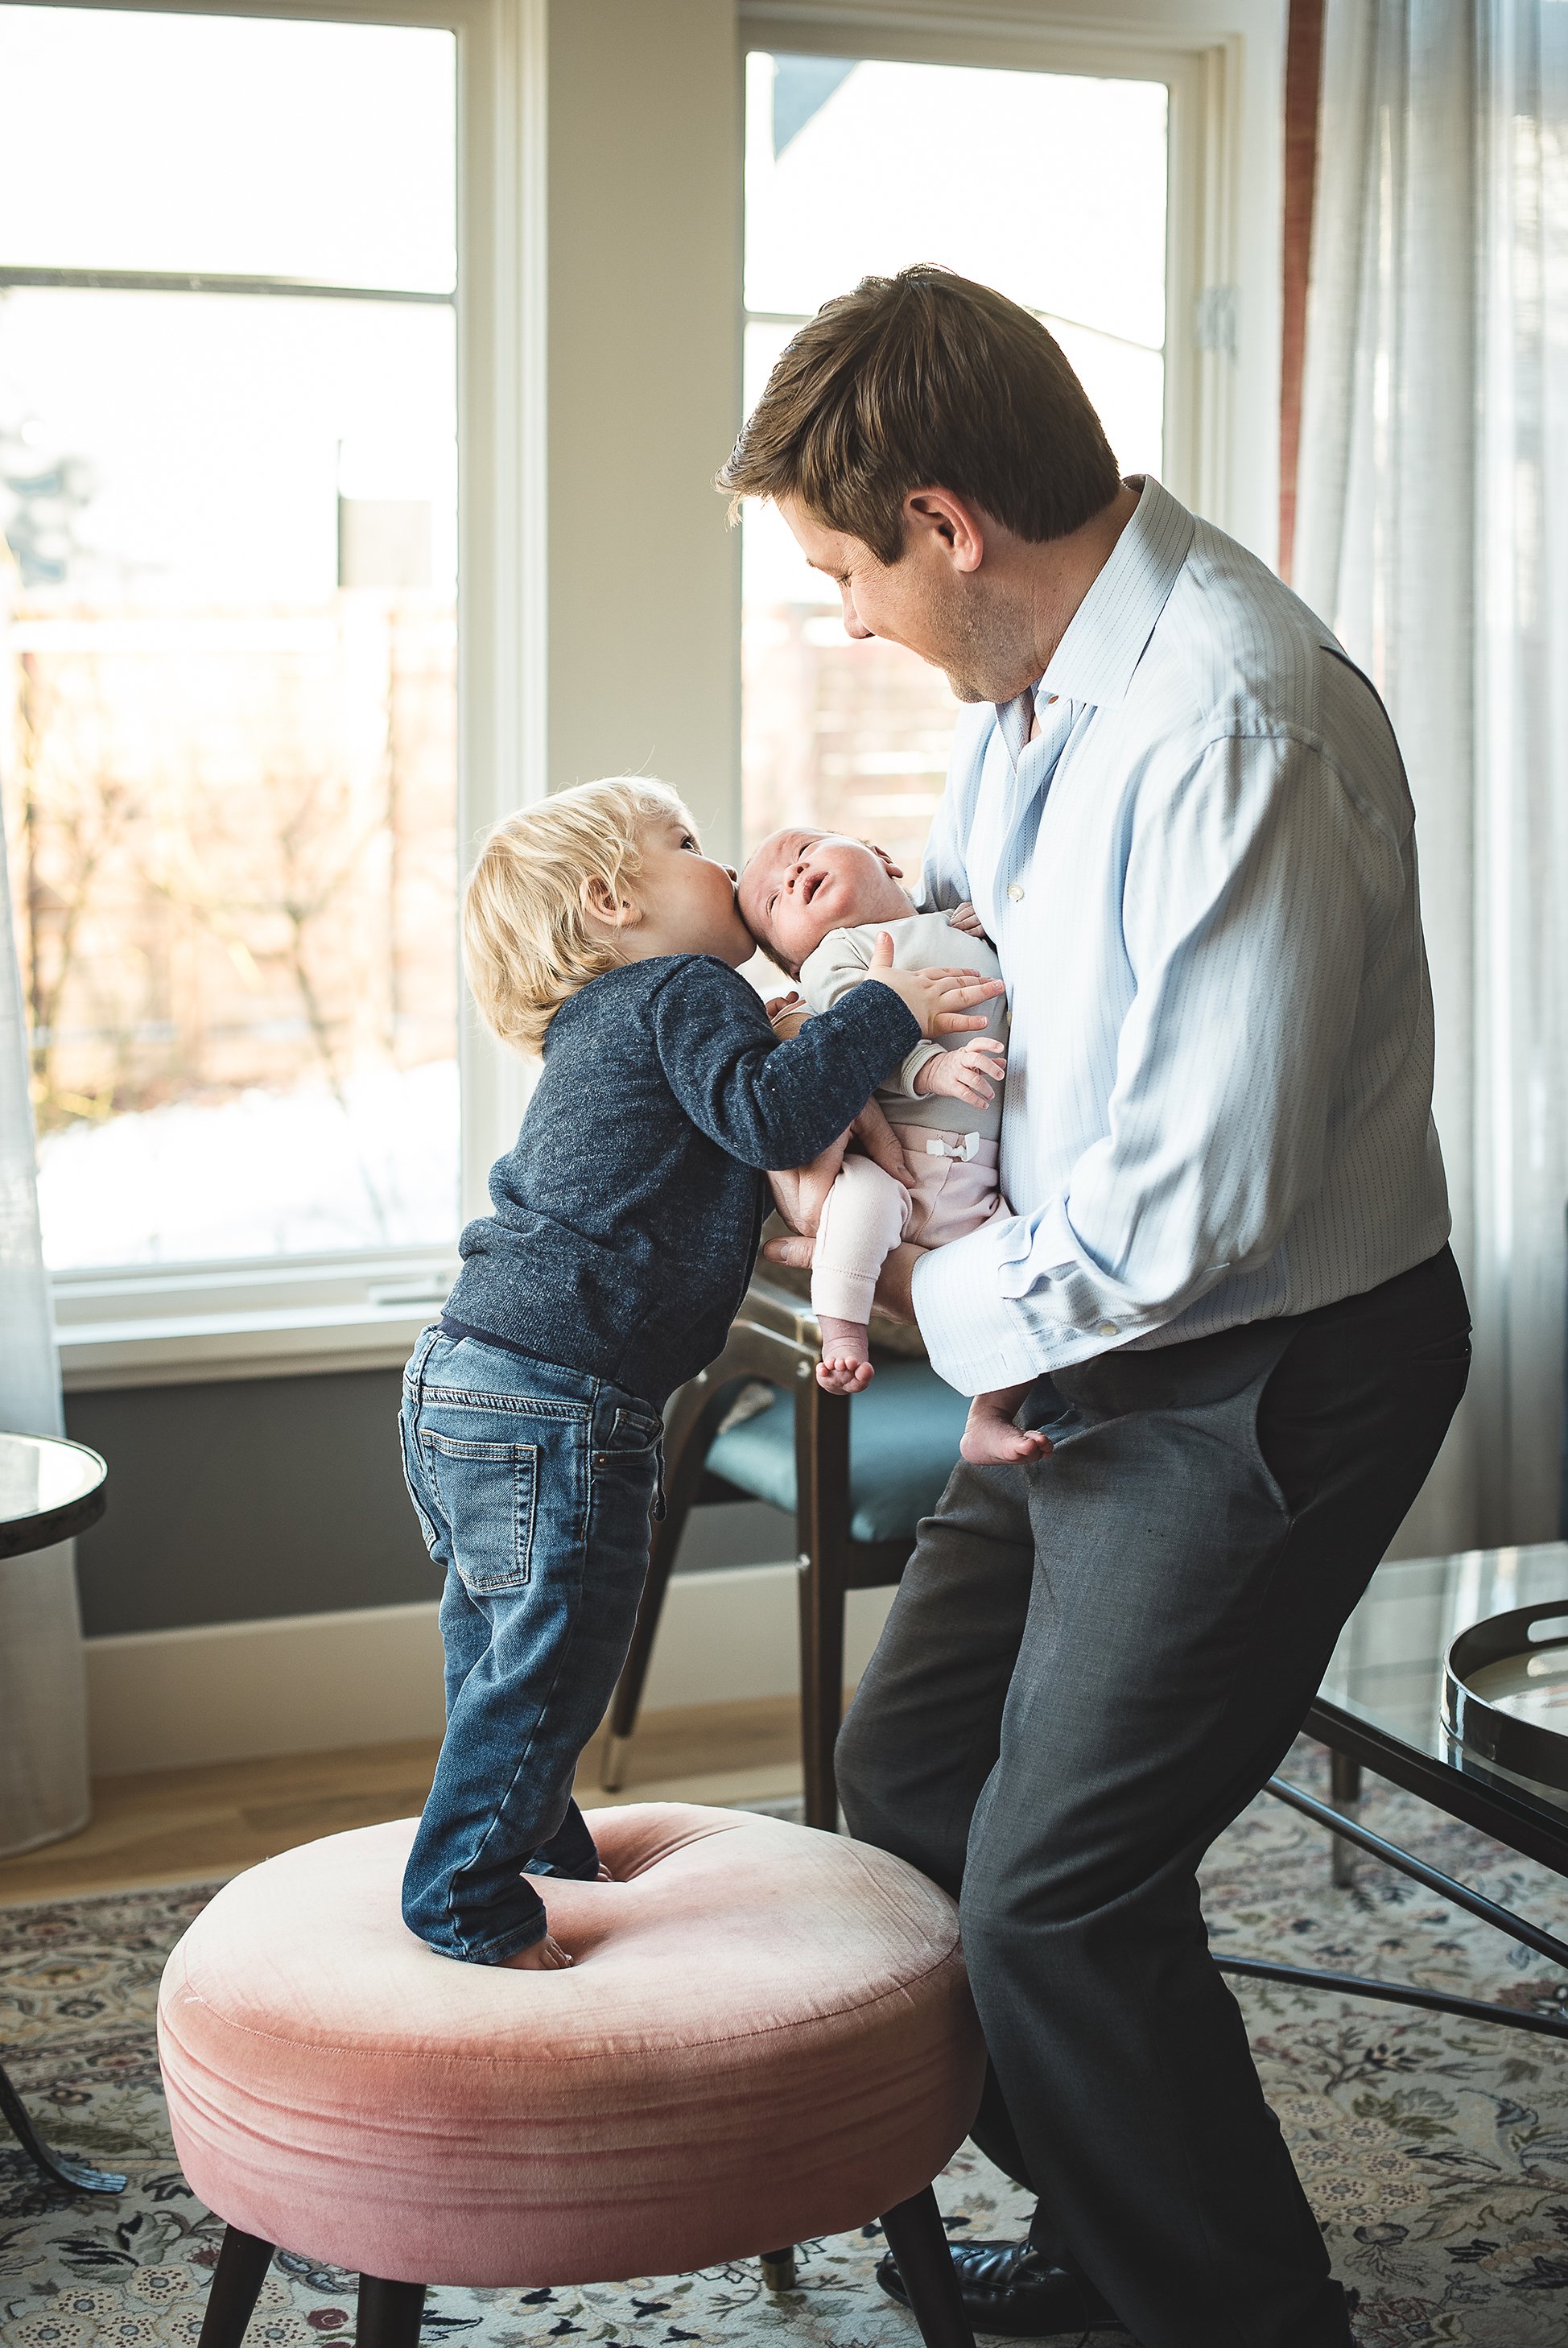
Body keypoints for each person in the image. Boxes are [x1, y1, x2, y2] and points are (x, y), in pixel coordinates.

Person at [718, 266, 1470, 2348]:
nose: (847, 616)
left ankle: (1234, 2313)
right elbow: (1006, 965)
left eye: (844, 569)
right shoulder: (1032, 689)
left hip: (1251, 1370)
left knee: (1057, 1889)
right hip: (1064, 1340)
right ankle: (1115, 2220)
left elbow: (1192, 1207)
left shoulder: (1230, 709)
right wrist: (879, 987)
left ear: (945, 522)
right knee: (916, 1779)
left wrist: (934, 1295)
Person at [397, 774, 1001, 1973]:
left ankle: (543, 1840)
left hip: (466, 1374)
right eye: (685, 843)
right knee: (557, 1651)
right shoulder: (682, 987)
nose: (716, 860)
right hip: (561, 1396)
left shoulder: (613, 1016)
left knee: (503, 1645)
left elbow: (750, 1112)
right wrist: (882, 1006)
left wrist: (808, 1035)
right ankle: (462, 1896)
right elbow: (772, 1119)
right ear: (615, 900)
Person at [741, 825, 1045, 1465]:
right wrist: (927, 1068)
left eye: (803, 852)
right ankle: (843, 1332)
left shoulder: (951, 925)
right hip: (899, 1167)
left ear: (881, 857)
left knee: (1016, 1283)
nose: (793, 877)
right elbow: (854, 1028)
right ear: (793, 961)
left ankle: (989, 1413)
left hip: (980, 1184)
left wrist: (973, 926)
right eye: (775, 903)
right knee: (859, 1205)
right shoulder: (835, 956)